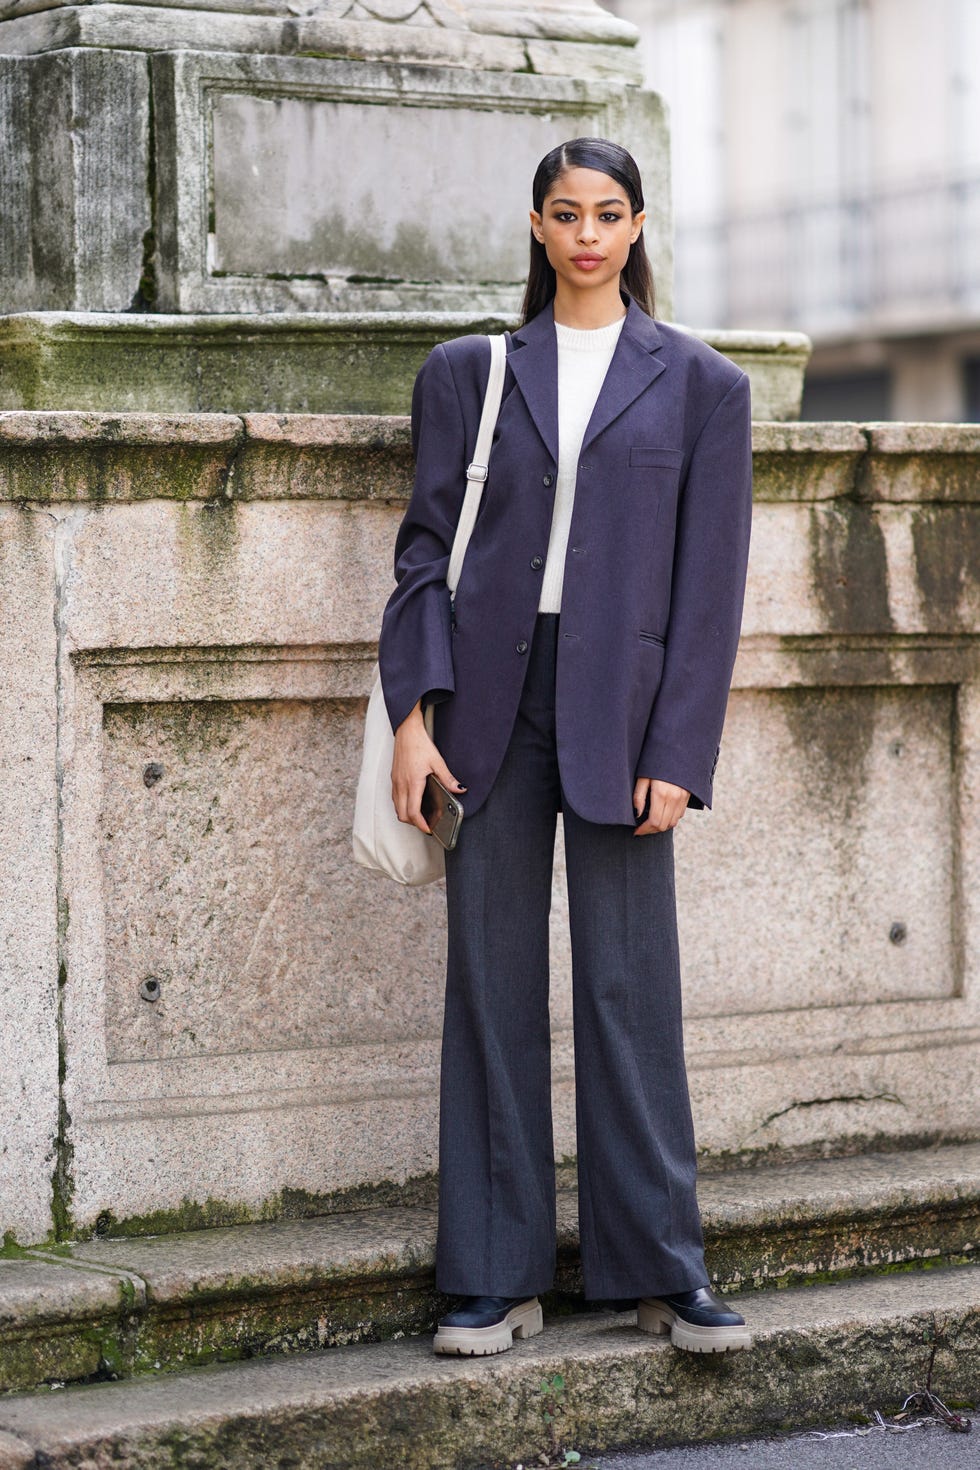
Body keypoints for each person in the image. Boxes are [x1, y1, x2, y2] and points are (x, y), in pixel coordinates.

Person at [377, 137, 753, 1358]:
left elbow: (710, 591)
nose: (585, 234)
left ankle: (659, 1265)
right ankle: (493, 1274)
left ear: (637, 226)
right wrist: (411, 719)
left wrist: (679, 751)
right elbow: (423, 557)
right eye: (563, 213)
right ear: (535, 228)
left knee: (627, 987)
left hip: (624, 717)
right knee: (488, 989)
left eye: (606, 213)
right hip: (482, 709)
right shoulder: (467, 373)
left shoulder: (701, 387)